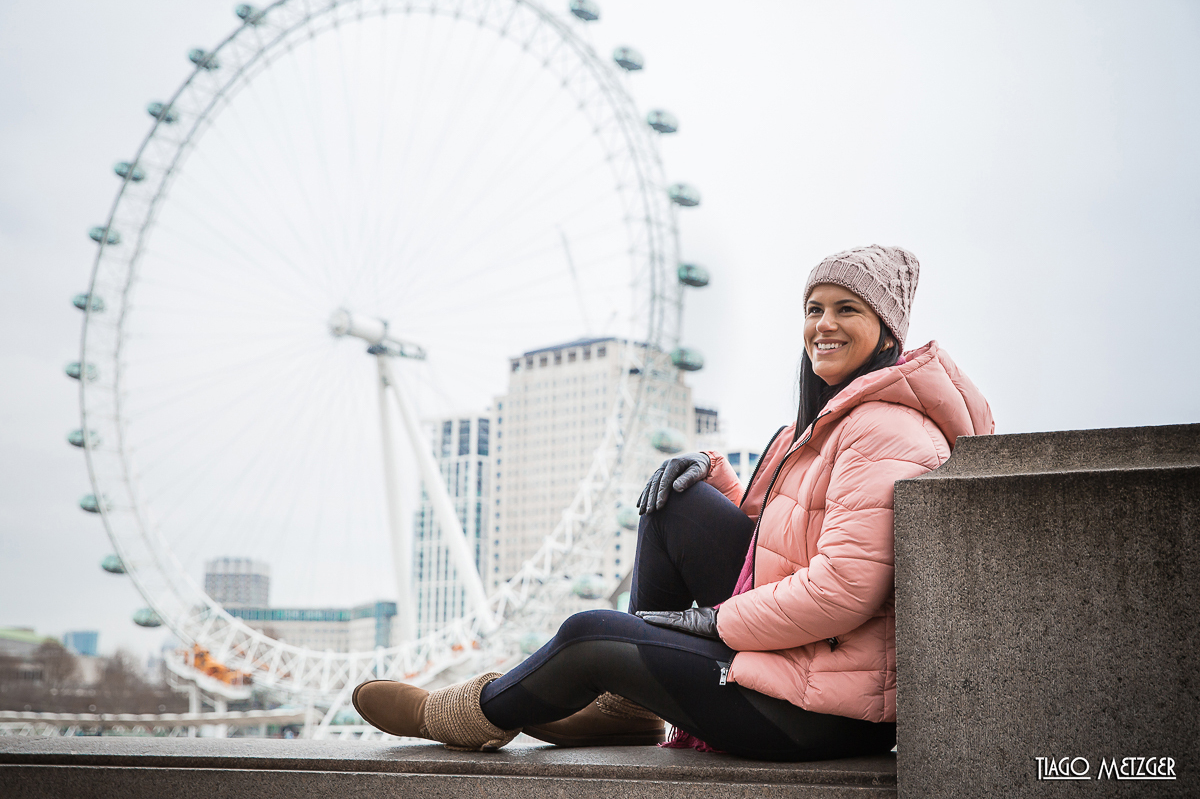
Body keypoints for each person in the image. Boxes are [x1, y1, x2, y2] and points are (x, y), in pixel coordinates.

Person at [352, 245, 994, 760]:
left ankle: (465, 716)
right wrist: (710, 479)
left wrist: (713, 624)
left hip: (818, 712)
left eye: (847, 309)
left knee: (589, 636)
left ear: (887, 332)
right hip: (801, 663)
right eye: (814, 307)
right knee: (672, 503)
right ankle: (629, 707)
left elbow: (842, 588)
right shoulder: (825, 421)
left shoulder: (884, 429)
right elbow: (774, 546)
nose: (823, 325)